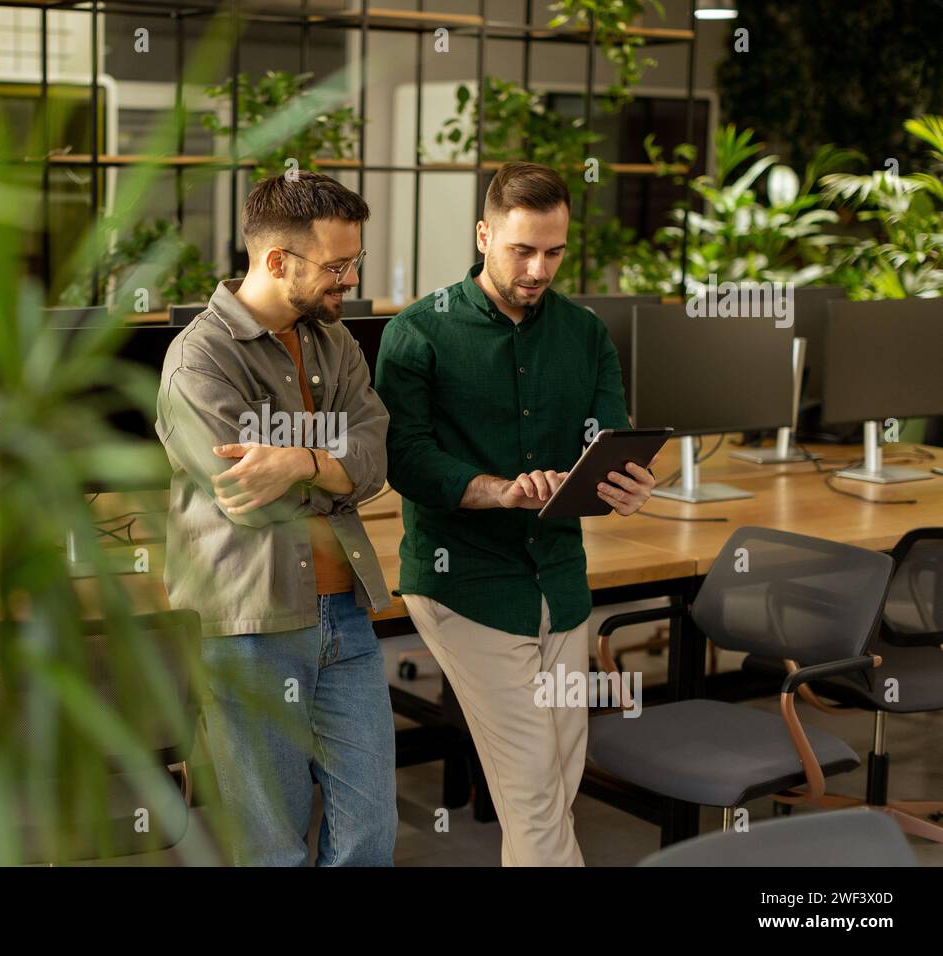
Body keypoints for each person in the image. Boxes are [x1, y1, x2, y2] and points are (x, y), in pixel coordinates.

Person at [374, 161, 658, 866]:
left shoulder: (584, 333)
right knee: (532, 785)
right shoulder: (418, 333)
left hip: (558, 578)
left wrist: (626, 481)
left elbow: (609, 435)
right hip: (463, 583)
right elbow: (403, 459)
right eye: (521, 250)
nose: (538, 269)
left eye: (554, 252)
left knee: (559, 774)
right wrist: (500, 490)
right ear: (484, 234)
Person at [155, 171, 396, 865]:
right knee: (272, 847)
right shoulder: (198, 360)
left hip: (345, 614)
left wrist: (294, 463)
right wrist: (332, 471)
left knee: (369, 838)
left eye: (355, 262)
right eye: (336, 265)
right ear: (276, 262)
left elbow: (375, 455)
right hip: (248, 626)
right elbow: (244, 494)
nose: (347, 279)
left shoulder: (335, 343)